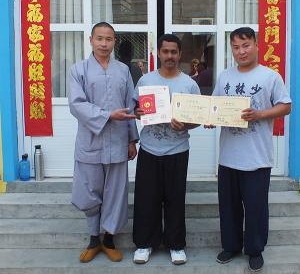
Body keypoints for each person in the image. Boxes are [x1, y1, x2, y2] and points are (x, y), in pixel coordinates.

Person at [210, 27, 291, 271]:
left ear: (256, 46)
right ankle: (231, 246)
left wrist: (260, 114)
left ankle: (255, 249)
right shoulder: (225, 77)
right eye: (236, 47)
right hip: (228, 157)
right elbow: (214, 105)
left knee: (256, 207)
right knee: (229, 206)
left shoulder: (270, 76)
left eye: (246, 46)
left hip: (257, 157)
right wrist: (209, 116)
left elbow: (286, 106)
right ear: (231, 49)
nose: (241, 51)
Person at [68, 22, 139, 263]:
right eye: (99, 38)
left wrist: (132, 139)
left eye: (109, 39)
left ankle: (109, 239)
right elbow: (76, 104)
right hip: (91, 141)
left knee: (115, 193)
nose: (104, 43)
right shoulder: (78, 70)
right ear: (91, 40)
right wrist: (107, 115)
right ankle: (93, 239)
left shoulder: (123, 70)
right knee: (89, 190)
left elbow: (130, 105)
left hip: (119, 142)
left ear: (114, 42)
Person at [132, 34, 200, 265]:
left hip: (177, 149)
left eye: (174, 52)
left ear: (180, 55)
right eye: (165, 51)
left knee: (175, 198)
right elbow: (137, 109)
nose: (169, 56)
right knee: (146, 198)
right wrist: (139, 113)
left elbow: (197, 119)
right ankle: (144, 244)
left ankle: (176, 245)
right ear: (158, 54)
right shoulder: (145, 81)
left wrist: (186, 124)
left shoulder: (189, 84)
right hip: (150, 148)